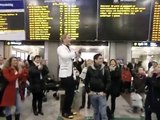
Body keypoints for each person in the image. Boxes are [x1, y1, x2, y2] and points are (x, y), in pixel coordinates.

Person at [57, 33, 78, 119]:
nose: (70, 39)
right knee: (68, 94)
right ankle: (64, 112)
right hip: (65, 75)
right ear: (64, 39)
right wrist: (74, 52)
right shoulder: (60, 48)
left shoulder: (69, 48)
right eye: (69, 38)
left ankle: (68, 110)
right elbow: (65, 57)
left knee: (71, 94)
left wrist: (76, 54)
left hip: (71, 74)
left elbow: (72, 58)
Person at [85, 53, 111, 120]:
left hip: (102, 94)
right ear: (95, 60)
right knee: (96, 112)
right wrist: (88, 91)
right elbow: (86, 80)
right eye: (100, 58)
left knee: (103, 113)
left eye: (102, 58)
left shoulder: (105, 68)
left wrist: (105, 91)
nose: (101, 60)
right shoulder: (90, 69)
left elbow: (108, 81)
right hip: (93, 94)